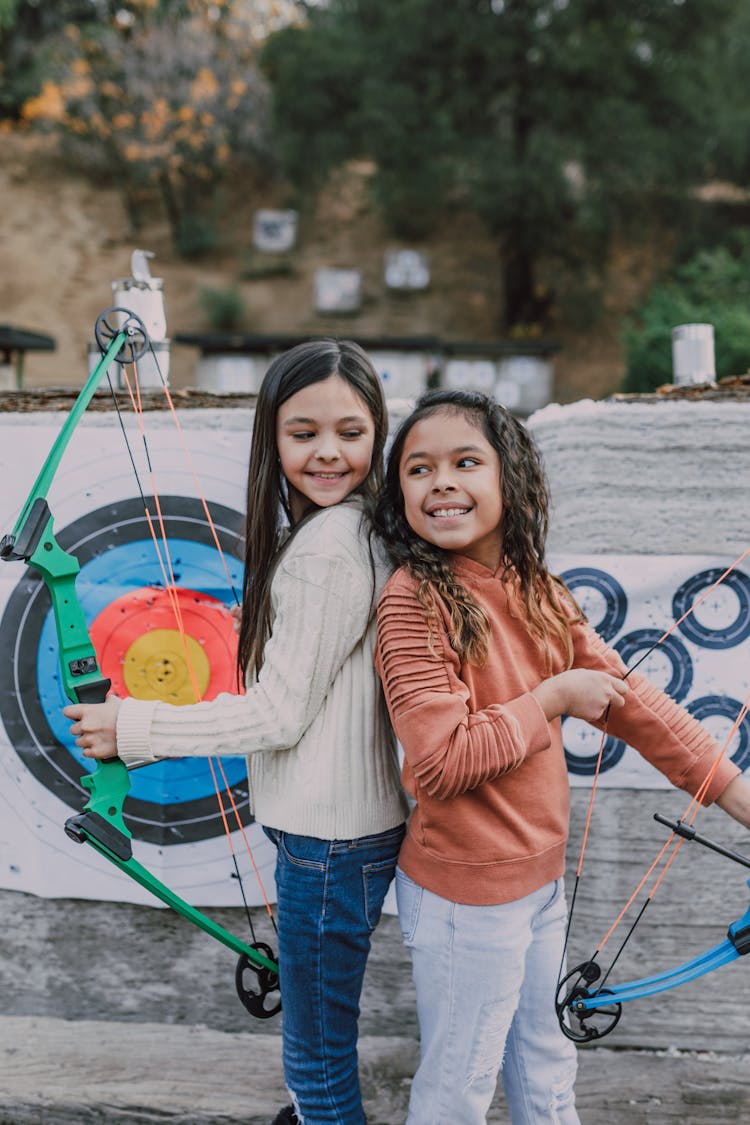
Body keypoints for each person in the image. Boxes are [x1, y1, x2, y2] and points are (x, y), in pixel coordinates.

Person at [372, 388, 750, 1125]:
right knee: (459, 1089)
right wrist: (551, 697)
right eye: (418, 469)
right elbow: (440, 762)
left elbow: (630, 699)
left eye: (465, 461)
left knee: (546, 1070)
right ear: (400, 495)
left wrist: (737, 795)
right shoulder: (414, 597)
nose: (441, 481)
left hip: (538, 884)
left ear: (511, 480)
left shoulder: (538, 589)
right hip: (466, 899)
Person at [64, 339, 409, 1125]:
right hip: (339, 837)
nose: (327, 451)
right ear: (272, 438)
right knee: (321, 1041)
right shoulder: (348, 531)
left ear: (379, 433)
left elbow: (279, 716)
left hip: (329, 845)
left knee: (317, 1062)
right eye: (303, 432)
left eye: (351, 432)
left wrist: (133, 725)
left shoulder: (329, 545)